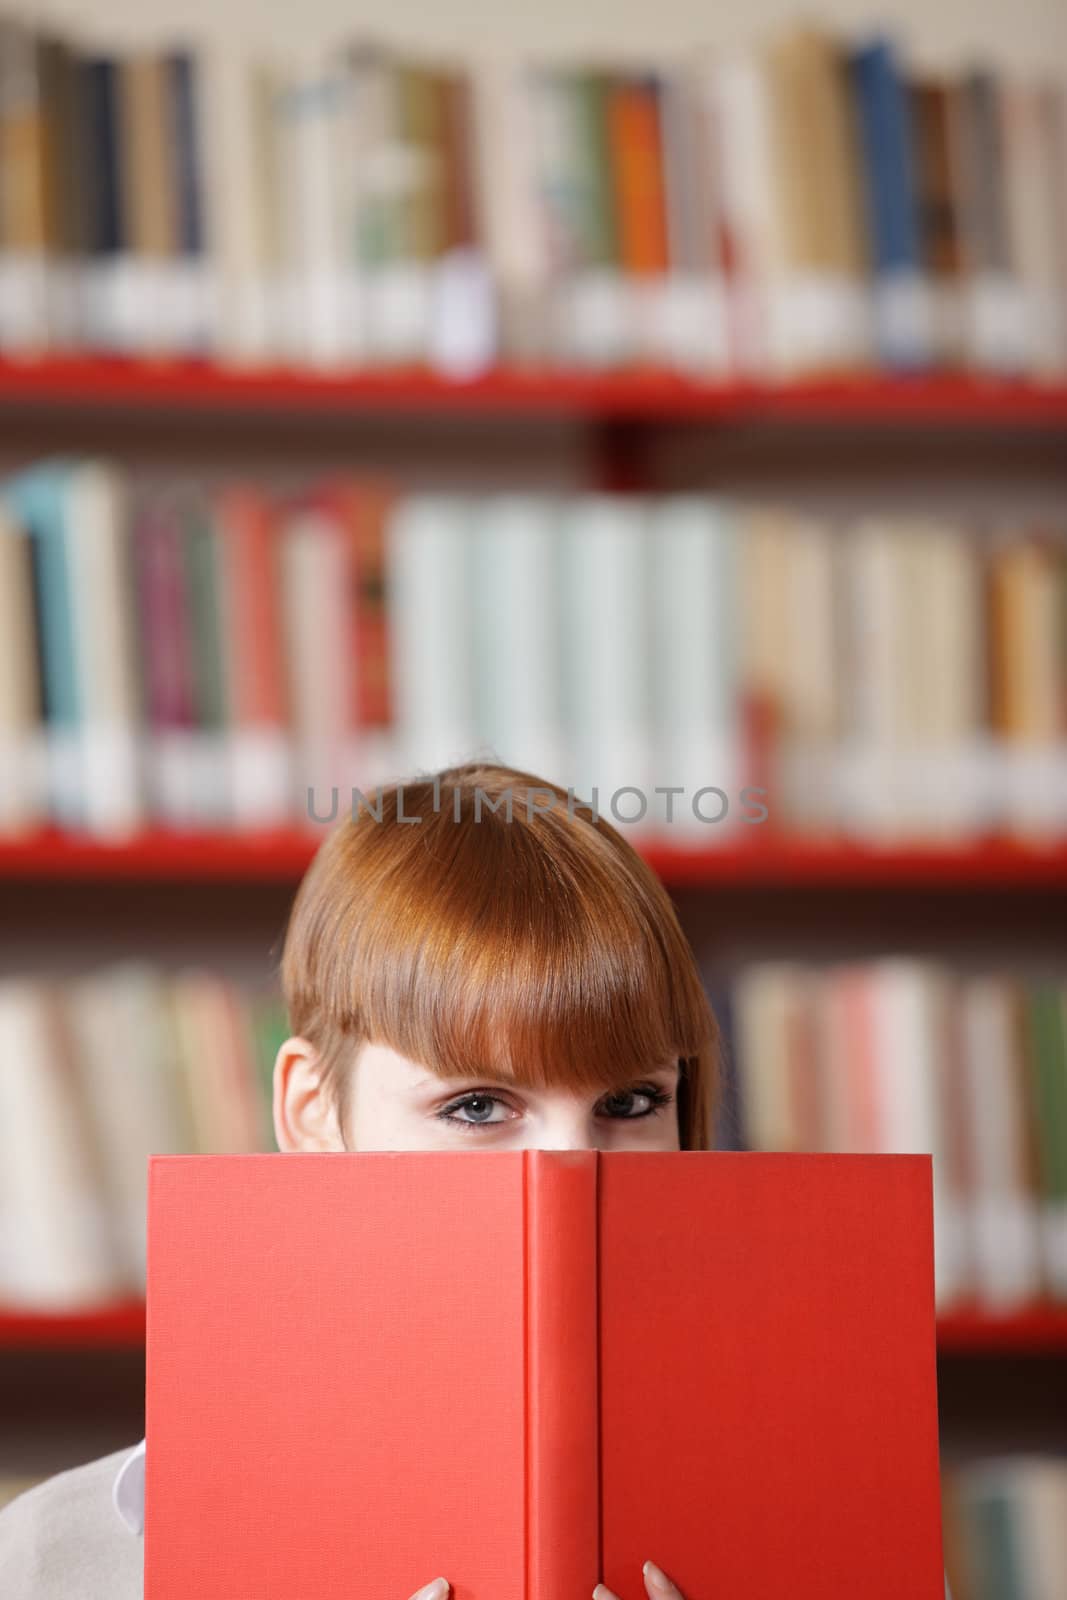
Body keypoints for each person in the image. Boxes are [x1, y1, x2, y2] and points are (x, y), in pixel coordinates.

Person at [0, 760, 951, 1600]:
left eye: (627, 1104)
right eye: (475, 1108)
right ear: (310, 1112)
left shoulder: (850, 1546)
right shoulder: (50, 1560)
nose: (565, 1173)